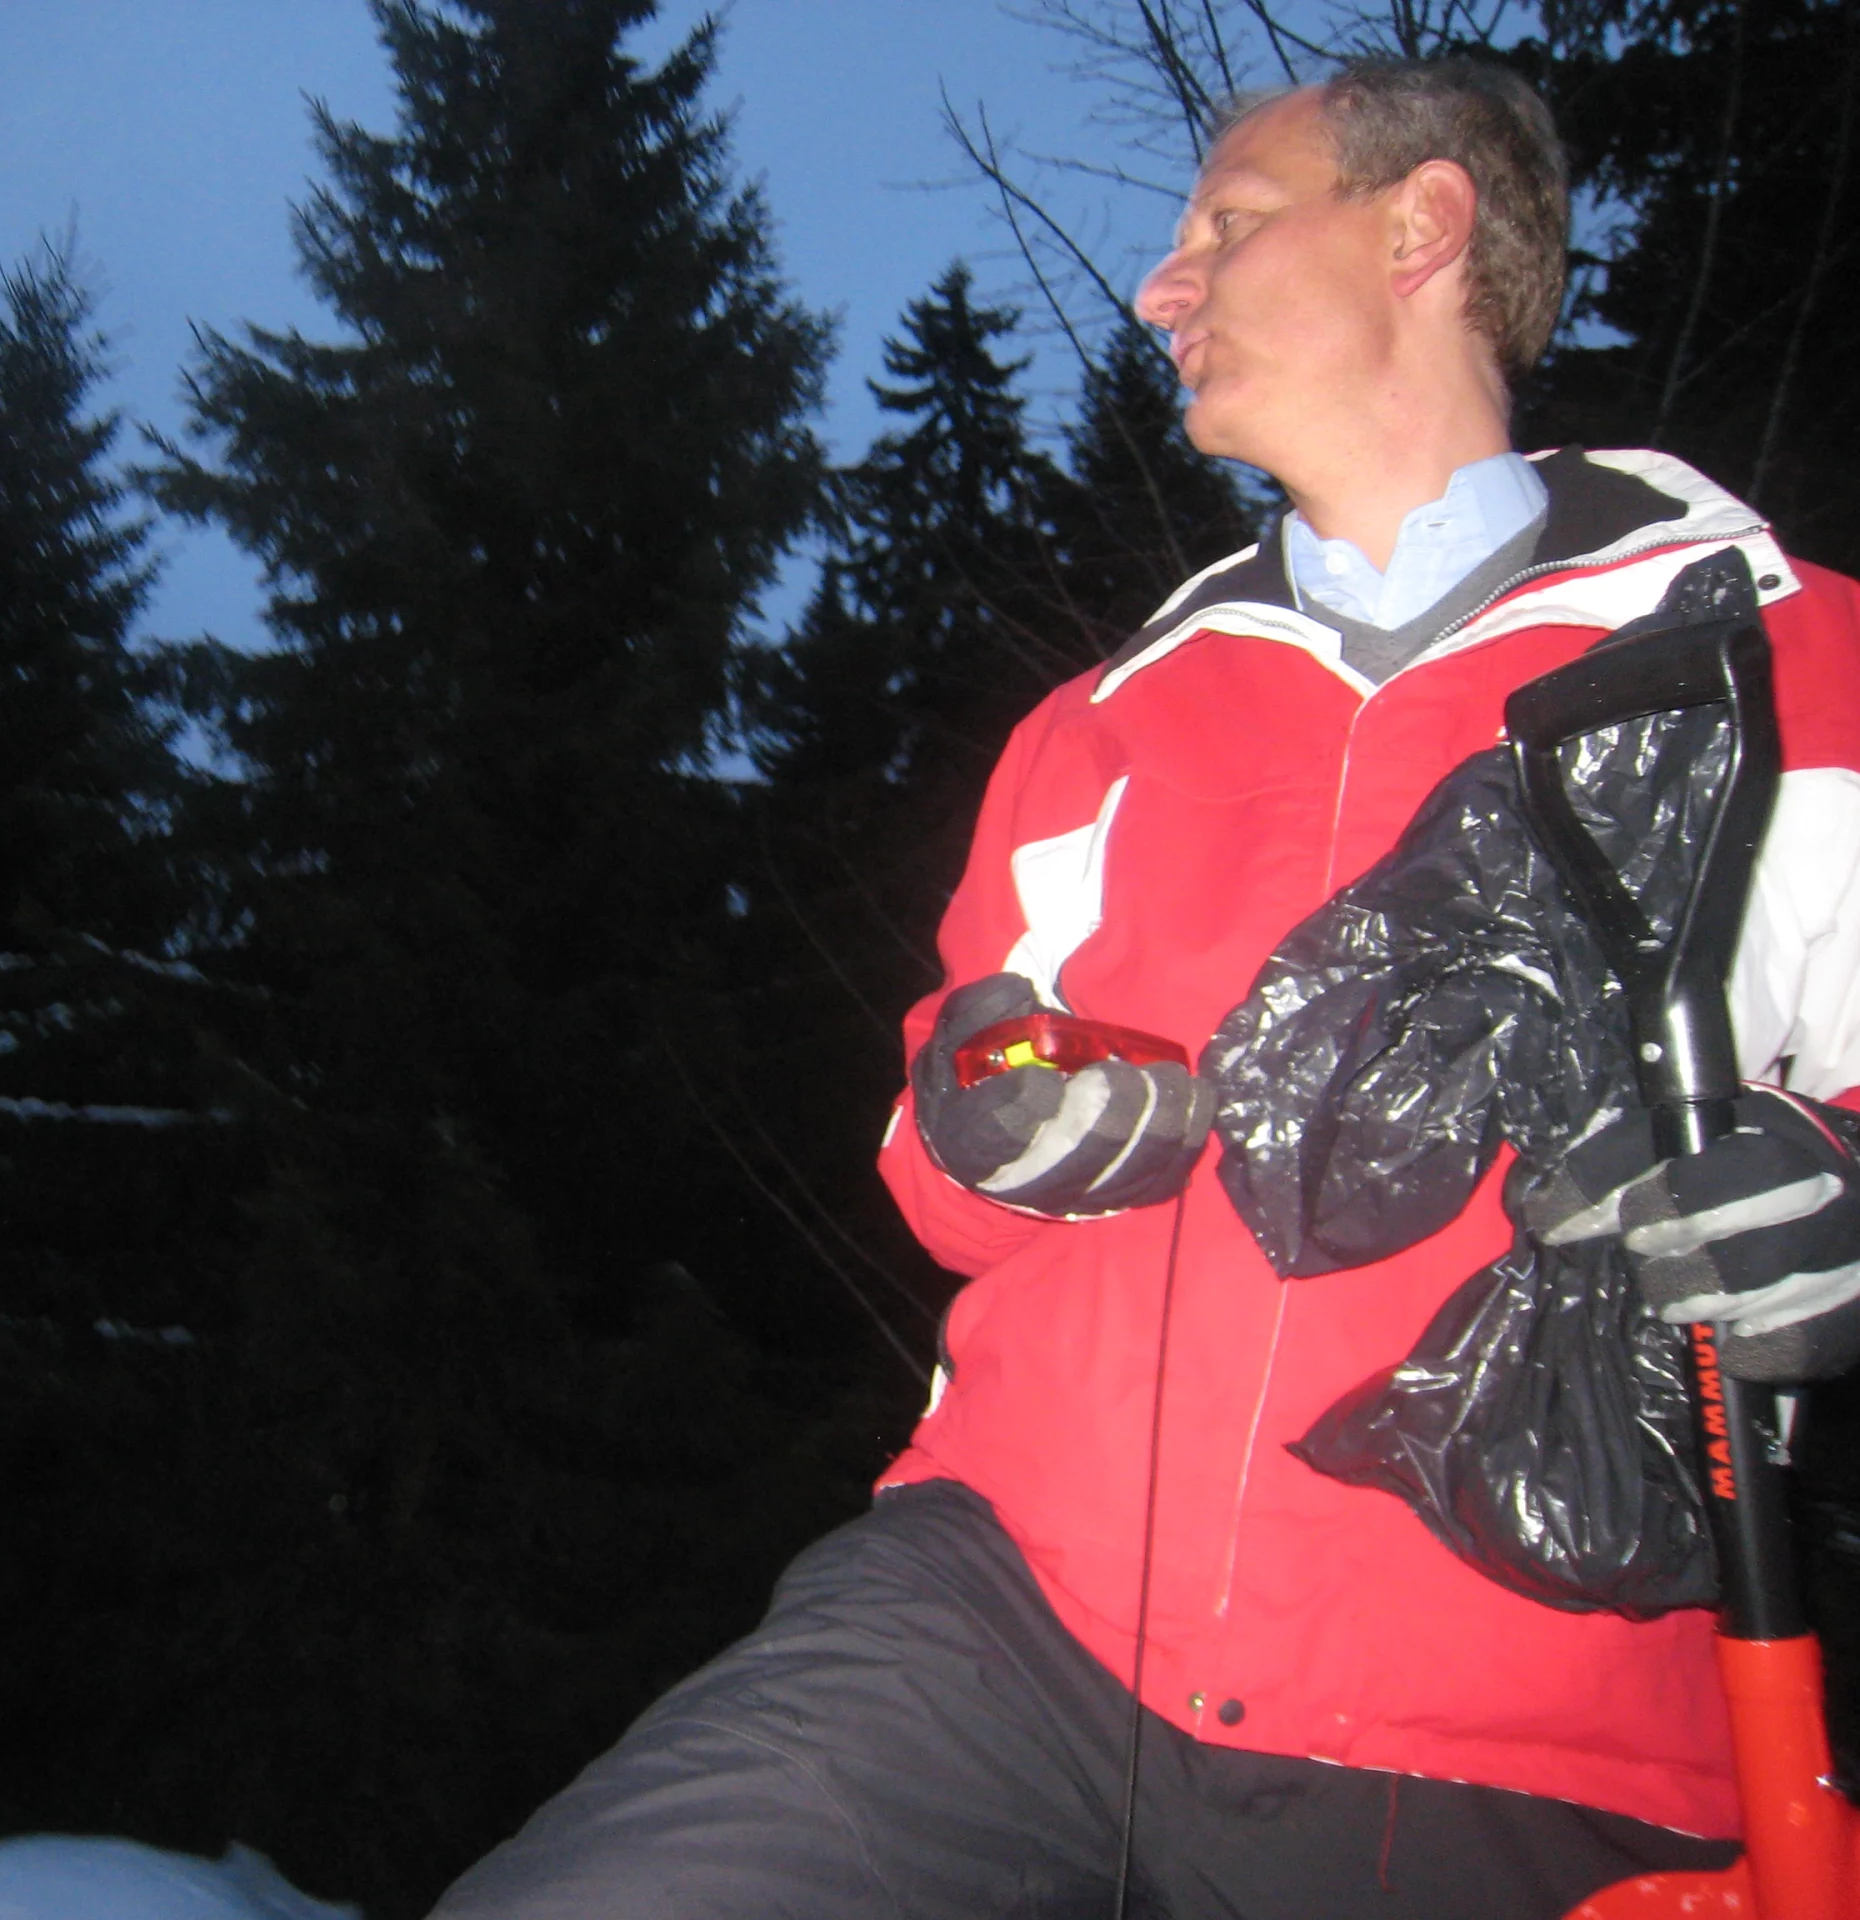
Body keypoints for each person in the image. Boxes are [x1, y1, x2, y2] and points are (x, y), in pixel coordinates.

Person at [431, 57, 1860, 1920]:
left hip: (1529, 1724)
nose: (1158, 285)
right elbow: (940, 1146)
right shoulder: (1103, 723)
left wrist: (1832, 1208)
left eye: (1228, 226)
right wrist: (986, 1115)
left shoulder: (1798, 668)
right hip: (1015, 1619)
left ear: (1423, 227)